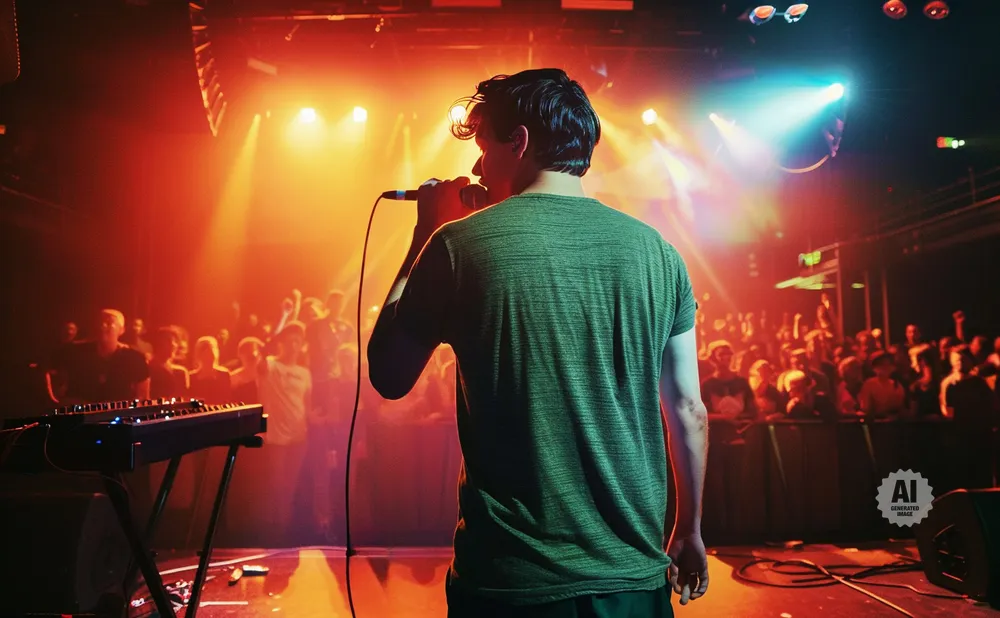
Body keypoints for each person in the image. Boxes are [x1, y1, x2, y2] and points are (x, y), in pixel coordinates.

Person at [367, 68, 708, 617]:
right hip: (632, 576)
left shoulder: (456, 246)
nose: (476, 167)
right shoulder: (659, 253)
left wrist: (421, 235)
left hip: (510, 580)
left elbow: (388, 372)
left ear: (518, 141)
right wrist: (688, 530)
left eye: (482, 149)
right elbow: (689, 408)